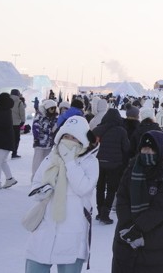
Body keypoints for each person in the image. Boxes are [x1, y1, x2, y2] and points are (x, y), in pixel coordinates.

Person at [25, 115, 100, 272]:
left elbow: (83, 188)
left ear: (82, 140)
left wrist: (70, 162)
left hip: (72, 229)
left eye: (74, 137)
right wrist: (43, 191)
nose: (69, 141)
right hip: (46, 227)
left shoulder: (90, 162)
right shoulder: (51, 158)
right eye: (66, 136)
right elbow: (36, 184)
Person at [112, 129, 163, 273]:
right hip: (125, 235)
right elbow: (122, 198)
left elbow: (161, 208)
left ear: (160, 150)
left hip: (155, 238)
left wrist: (137, 229)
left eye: (151, 149)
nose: (147, 152)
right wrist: (128, 227)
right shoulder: (131, 169)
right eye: (144, 148)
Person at [95, 107, 131, 224]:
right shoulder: (121, 131)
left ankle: (99, 211)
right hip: (115, 164)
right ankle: (105, 213)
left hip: (99, 162)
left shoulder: (98, 129)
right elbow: (126, 148)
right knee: (111, 189)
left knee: (100, 187)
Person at [0, 91, 19, 188]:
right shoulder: (7, 111)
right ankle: (10, 179)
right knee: (2, 161)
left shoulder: (3, 112)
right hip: (6, 141)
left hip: (2, 141)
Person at [32, 100, 60, 181]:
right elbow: (35, 128)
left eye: (54, 108)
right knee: (37, 161)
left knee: (46, 161)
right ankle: (35, 178)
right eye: (51, 108)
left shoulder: (54, 118)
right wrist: (36, 138)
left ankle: (43, 178)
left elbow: (55, 129)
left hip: (49, 143)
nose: (53, 110)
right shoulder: (40, 116)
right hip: (40, 143)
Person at [11, 88, 28, 159]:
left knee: (7, 137)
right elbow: (22, 112)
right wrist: (23, 121)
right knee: (16, 138)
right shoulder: (19, 102)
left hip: (7, 122)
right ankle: (14, 153)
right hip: (16, 123)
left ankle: (4, 152)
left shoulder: (6, 100)